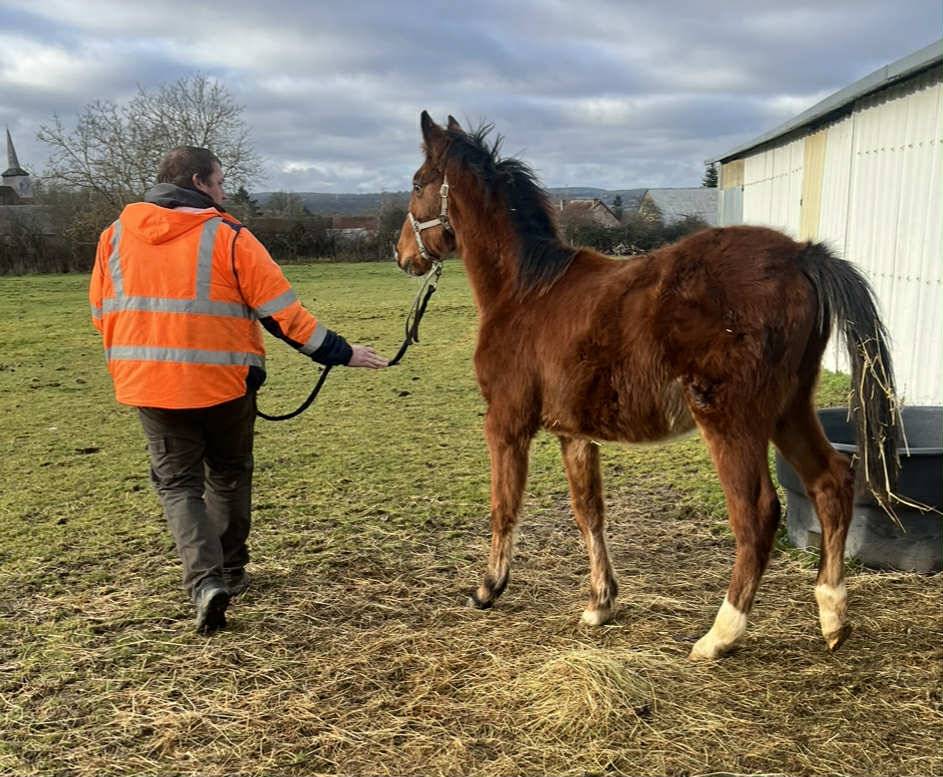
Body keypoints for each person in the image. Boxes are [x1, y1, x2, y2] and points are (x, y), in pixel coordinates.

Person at [89, 146, 388, 634]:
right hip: (224, 384)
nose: (225, 192)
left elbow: (101, 313)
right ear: (197, 181)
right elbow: (283, 314)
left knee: (179, 484)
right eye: (220, 182)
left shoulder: (113, 237)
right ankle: (229, 570)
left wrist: (135, 359)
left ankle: (205, 582)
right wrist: (341, 352)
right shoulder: (229, 236)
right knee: (227, 473)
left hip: (148, 386)